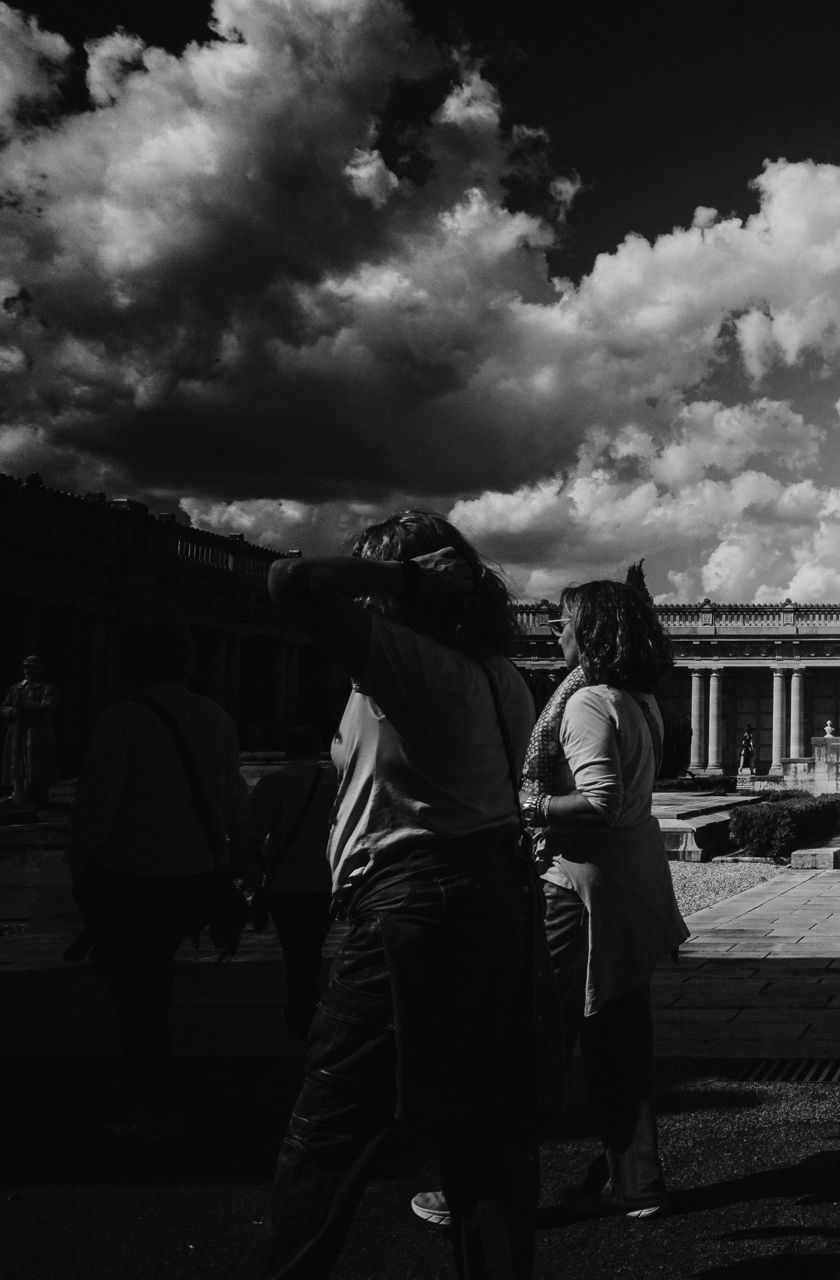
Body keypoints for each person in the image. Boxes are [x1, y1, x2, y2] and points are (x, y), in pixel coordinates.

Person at [238, 511, 540, 1280]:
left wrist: (400, 577)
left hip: (415, 904)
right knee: (486, 1137)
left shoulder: (406, 661)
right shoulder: (498, 673)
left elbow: (292, 581)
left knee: (328, 1135)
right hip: (497, 898)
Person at [412, 566, 688, 1227]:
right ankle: (637, 1181)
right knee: (619, 1041)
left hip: (581, 892)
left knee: (526, 1041)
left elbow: (599, 804)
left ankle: (479, 1187)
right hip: (631, 888)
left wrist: (520, 803)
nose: (552, 631)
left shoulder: (589, 702)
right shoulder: (638, 697)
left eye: (562, 622)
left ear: (589, 632)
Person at [68, 619, 250, 1140]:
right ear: (185, 663)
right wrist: (243, 859)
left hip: (132, 879)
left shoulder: (122, 720)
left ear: (125, 666)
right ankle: (158, 1091)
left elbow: (96, 809)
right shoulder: (214, 716)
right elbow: (233, 797)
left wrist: (79, 864)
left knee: (137, 999)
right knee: (154, 986)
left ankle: (152, 1101)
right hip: (193, 877)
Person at [246, 724, 337, 1039]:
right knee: (312, 947)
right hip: (325, 880)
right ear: (318, 748)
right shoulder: (334, 781)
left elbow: (254, 835)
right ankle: (311, 1006)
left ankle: (301, 1008)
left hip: (286, 882)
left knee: (295, 951)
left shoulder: (273, 783)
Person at [3, 654, 59, 807]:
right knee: (18, 762)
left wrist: (27, 706)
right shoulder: (16, 688)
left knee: (35, 763)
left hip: (36, 732)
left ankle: (37, 793)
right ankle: (18, 791)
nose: (27, 671)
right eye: (25, 668)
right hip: (17, 731)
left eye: (31, 668)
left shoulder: (46, 688)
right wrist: (12, 712)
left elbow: (48, 706)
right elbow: (4, 707)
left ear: (39, 670)